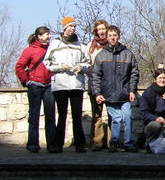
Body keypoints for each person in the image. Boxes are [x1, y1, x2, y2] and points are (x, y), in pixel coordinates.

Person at [43, 17, 91, 153]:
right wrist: (60, 67)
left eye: (74, 26)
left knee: (77, 115)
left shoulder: (80, 45)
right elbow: (47, 62)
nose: (72, 29)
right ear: (64, 28)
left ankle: (79, 144)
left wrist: (81, 67)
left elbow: (88, 63)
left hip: (76, 84)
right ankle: (58, 144)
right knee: (62, 115)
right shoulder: (55, 44)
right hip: (60, 85)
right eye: (70, 26)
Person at [92, 25, 139, 153]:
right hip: (109, 94)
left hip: (124, 93)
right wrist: (97, 93)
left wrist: (132, 90)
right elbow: (96, 76)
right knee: (116, 119)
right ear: (107, 38)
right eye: (110, 36)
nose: (113, 38)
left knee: (128, 116)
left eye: (115, 35)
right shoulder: (101, 55)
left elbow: (134, 73)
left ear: (118, 36)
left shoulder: (128, 54)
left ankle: (128, 142)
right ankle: (114, 142)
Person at [15, 26, 56, 153]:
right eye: (47, 34)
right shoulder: (29, 50)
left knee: (50, 116)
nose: (49, 36)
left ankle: (52, 145)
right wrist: (26, 81)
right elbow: (19, 66)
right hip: (34, 86)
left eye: (49, 34)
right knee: (34, 115)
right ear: (39, 36)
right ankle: (33, 144)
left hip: (49, 86)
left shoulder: (52, 49)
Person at [139, 68, 165, 151]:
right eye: (160, 78)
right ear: (155, 79)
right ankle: (148, 144)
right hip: (152, 121)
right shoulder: (148, 92)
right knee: (155, 125)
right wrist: (156, 118)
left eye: (164, 78)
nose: (162, 80)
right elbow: (143, 112)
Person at [86, 20, 111, 151]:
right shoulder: (91, 46)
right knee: (97, 114)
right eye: (99, 29)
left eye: (103, 28)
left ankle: (112, 142)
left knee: (112, 114)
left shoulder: (112, 44)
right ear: (96, 31)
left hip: (110, 85)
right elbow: (86, 64)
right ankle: (97, 142)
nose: (101, 31)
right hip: (95, 84)